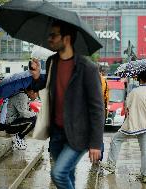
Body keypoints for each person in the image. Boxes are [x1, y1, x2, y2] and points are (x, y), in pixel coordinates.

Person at [30, 20, 104, 189]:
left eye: (54, 35)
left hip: (78, 134)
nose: (50, 39)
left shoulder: (87, 68)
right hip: (56, 133)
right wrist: (36, 77)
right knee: (68, 175)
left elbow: (97, 108)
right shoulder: (51, 62)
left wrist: (95, 143)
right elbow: (49, 88)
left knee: (58, 174)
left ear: (67, 39)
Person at [101, 71, 146, 183]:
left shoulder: (134, 92)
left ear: (140, 80)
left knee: (116, 139)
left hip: (131, 124)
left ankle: (111, 165)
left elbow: (127, 107)